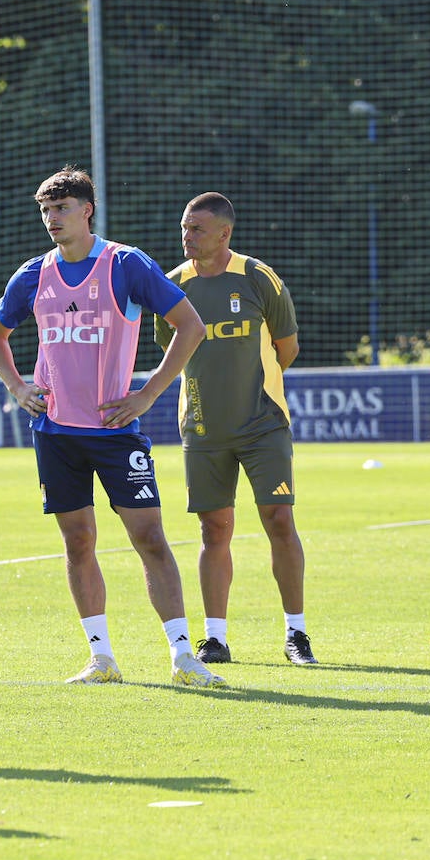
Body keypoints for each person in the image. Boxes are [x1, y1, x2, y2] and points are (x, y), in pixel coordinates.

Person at [0, 165, 225, 688]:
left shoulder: (125, 265)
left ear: (86, 210)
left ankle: (184, 656)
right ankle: (101, 659)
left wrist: (147, 394)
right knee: (78, 542)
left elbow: (191, 327)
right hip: (56, 434)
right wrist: (18, 388)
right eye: (46, 210)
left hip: (115, 433)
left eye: (62, 209)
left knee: (150, 539)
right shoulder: (33, 274)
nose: (52, 219)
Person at [159, 192, 316, 665]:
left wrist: (256, 388)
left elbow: (286, 349)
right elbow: (171, 352)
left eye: (197, 229)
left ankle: (296, 634)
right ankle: (216, 638)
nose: (187, 236)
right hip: (203, 428)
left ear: (224, 233)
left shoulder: (257, 278)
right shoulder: (171, 285)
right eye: (184, 228)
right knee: (214, 530)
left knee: (279, 520)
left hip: (263, 424)